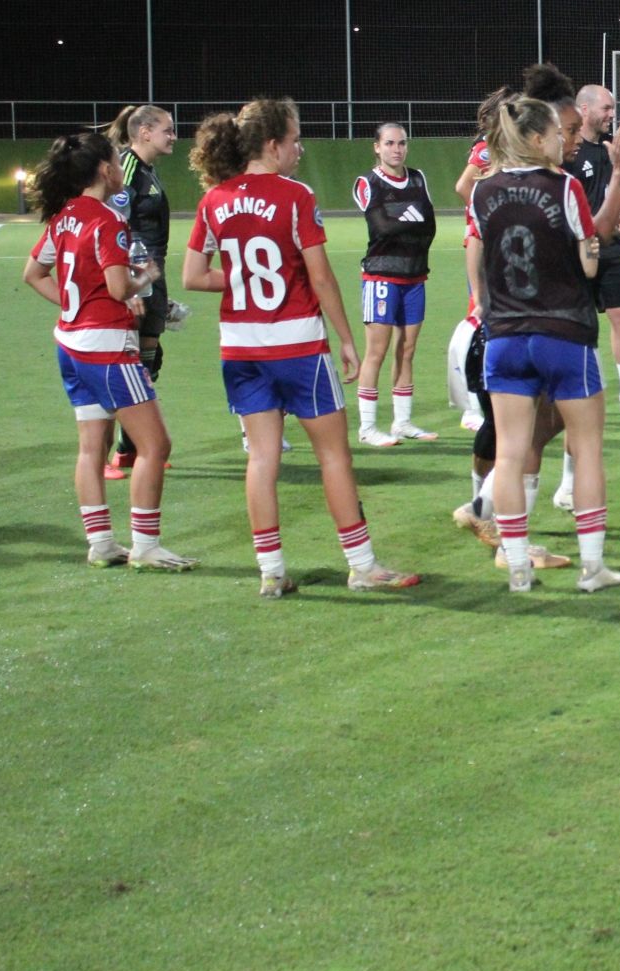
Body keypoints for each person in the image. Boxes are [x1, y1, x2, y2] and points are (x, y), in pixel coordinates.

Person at [181, 98, 419, 597]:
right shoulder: (295, 195)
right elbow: (320, 275)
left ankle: (271, 572)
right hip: (297, 345)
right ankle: (363, 565)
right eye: (293, 140)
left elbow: (193, 276)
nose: (299, 148)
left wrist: (244, 278)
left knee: (262, 458)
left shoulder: (215, 199)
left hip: (240, 348)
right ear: (272, 145)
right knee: (333, 456)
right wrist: (348, 340)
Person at [469, 93, 620, 594]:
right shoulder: (564, 187)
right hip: (564, 333)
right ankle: (592, 568)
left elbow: (478, 257)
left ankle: (517, 567)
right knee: (588, 450)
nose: (567, 140)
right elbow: (587, 262)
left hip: (506, 336)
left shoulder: (481, 190)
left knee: (512, 453)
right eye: (559, 134)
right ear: (538, 138)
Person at [21, 131, 197, 571]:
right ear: (104, 170)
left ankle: (100, 543)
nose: (121, 169)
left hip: (70, 343)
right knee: (155, 445)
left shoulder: (62, 217)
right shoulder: (107, 220)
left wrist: (76, 303)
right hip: (107, 347)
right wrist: (146, 277)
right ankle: (146, 545)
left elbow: (33, 273)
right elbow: (120, 288)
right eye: (117, 162)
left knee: (90, 448)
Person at [103, 105, 185, 481]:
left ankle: (131, 447)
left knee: (148, 360)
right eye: (168, 130)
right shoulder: (129, 167)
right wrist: (130, 286)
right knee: (127, 363)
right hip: (136, 275)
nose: (174, 136)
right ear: (145, 132)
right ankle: (116, 450)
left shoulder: (147, 169)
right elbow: (116, 225)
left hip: (151, 273)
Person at [352, 122, 439, 447]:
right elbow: (381, 227)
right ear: (377, 147)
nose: (396, 149)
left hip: (415, 275)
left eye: (401, 143)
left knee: (407, 350)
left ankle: (402, 422)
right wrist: (410, 219)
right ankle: (368, 426)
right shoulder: (367, 182)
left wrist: (403, 220)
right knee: (377, 351)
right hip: (381, 276)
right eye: (389, 143)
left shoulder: (418, 178)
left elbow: (428, 224)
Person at [572, 85, 620, 414]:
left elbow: (616, 185)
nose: (610, 114)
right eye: (605, 108)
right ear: (584, 110)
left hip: (611, 246)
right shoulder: (570, 150)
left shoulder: (608, 148)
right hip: (579, 245)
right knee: (579, 320)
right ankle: (579, 388)